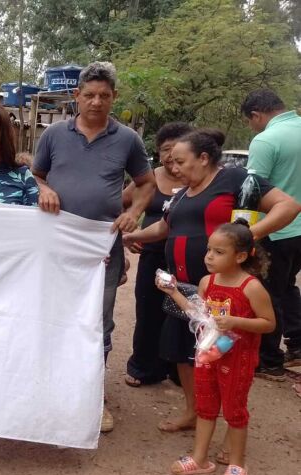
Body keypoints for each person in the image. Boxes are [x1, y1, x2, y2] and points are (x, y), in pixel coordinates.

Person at [123, 129, 300, 434]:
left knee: (223, 357)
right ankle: (194, 412)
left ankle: (231, 424)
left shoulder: (234, 180)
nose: (173, 168)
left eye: (180, 161)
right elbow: (165, 229)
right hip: (185, 290)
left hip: (223, 291)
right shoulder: (181, 193)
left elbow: (288, 206)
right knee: (184, 352)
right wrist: (130, 235)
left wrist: (246, 238)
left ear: (203, 158)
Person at [32, 62, 156, 433]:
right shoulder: (54, 134)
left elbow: (146, 183)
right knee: (51, 312)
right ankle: (49, 389)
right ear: (76, 97)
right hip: (55, 242)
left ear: (114, 97)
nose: (96, 102)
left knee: (97, 322)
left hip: (102, 245)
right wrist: (45, 189)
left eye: (104, 95)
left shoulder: (128, 139)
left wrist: (134, 212)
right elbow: (36, 174)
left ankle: (93, 397)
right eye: (89, 95)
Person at [158, 220, 275, 475]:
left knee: (234, 410)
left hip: (238, 360)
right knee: (206, 406)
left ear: (241, 256)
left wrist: (236, 322)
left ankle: (236, 463)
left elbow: (269, 323)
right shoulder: (206, 281)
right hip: (207, 354)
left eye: (219, 252)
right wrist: (173, 291)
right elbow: (197, 313)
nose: (209, 256)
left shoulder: (251, 287)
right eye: (209, 250)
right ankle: (200, 459)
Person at [123, 122, 194, 387]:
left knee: (183, 315)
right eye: (165, 149)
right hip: (153, 256)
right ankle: (144, 367)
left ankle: (179, 372)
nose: (170, 156)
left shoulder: (199, 179)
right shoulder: (150, 177)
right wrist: (128, 235)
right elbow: (122, 203)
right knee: (148, 313)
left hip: (187, 260)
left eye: (176, 150)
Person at [241, 88, 301, 379]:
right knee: (288, 286)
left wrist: (242, 232)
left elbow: (252, 191)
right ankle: (298, 347)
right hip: (300, 231)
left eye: (250, 121)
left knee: (268, 294)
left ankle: (270, 360)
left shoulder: (266, 139)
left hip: (275, 230)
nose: (252, 126)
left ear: (257, 114)